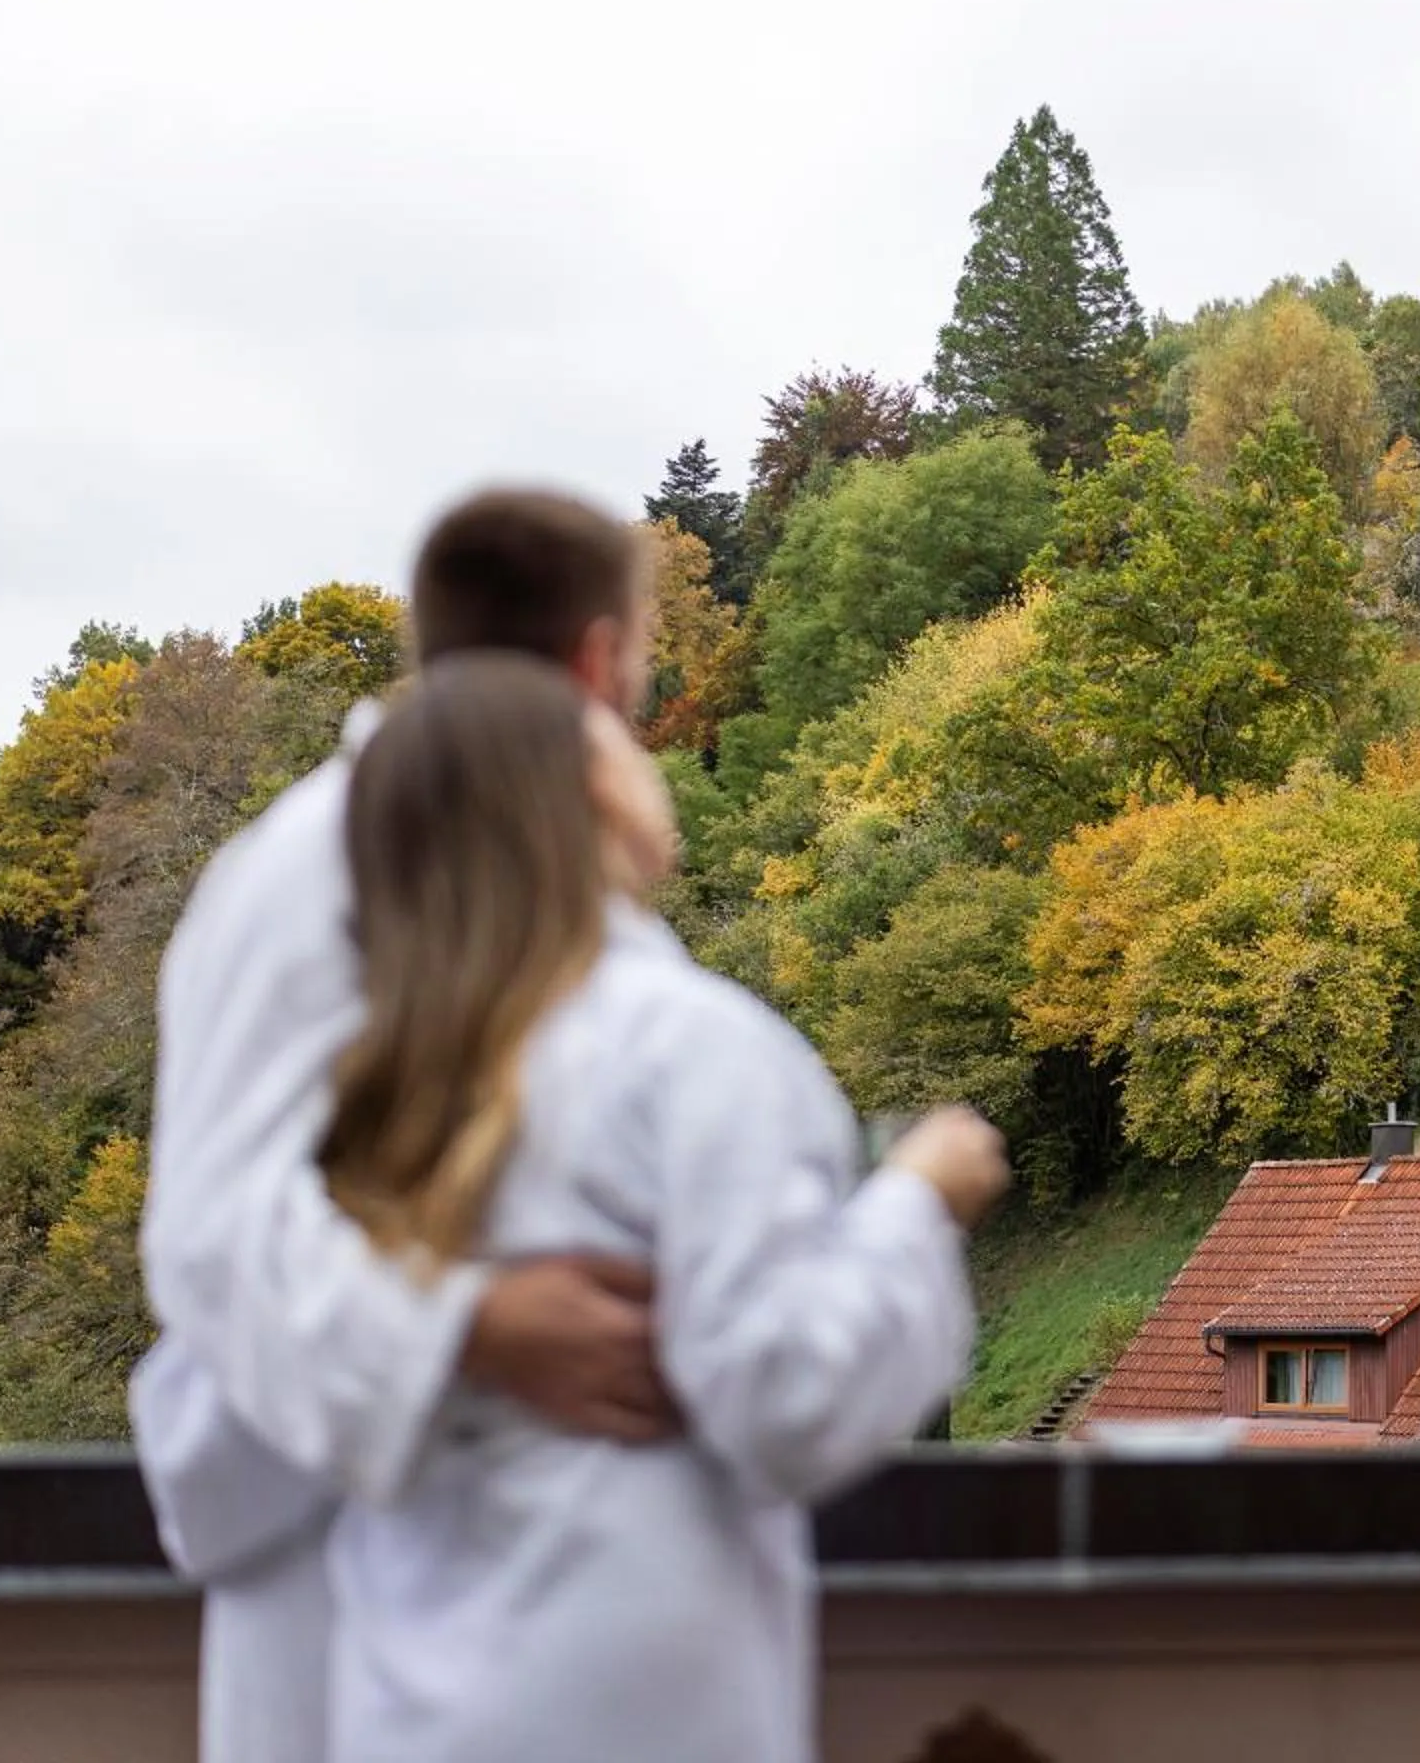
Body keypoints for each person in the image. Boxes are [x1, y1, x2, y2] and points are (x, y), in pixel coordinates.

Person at [316, 652, 1000, 1762]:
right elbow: (788, 1393)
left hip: (412, 1692)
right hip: (628, 1692)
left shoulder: (384, 1081)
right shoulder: (692, 1049)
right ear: (594, 795)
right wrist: (919, 1202)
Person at [135, 492, 695, 1763]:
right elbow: (213, 1231)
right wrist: (469, 1331)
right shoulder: (311, 874)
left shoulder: (556, 888)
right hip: (340, 1585)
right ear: (600, 661)